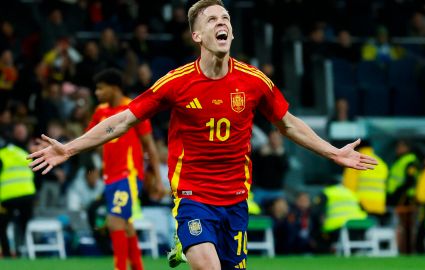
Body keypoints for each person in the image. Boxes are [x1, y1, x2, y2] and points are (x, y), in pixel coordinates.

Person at [28, 1, 377, 269]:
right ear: (197, 36)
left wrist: (333, 152)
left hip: (237, 198)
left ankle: (184, 246)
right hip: (193, 195)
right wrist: (69, 149)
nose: (221, 23)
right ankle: (187, 240)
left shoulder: (254, 82)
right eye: (212, 19)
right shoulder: (176, 83)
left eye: (225, 18)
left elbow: (288, 124)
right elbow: (121, 121)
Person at [89, 69, 166, 270]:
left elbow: (149, 145)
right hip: (109, 177)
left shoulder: (134, 109)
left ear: (114, 88)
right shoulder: (100, 111)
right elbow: (90, 139)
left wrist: (158, 179)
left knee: (114, 222)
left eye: (100, 88)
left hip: (128, 175)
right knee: (126, 224)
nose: (97, 93)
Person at [0, 123, 36, 257]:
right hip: (27, 195)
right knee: (22, 225)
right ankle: (20, 250)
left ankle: (8, 253)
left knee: (2, 226)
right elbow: (34, 173)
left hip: (7, 197)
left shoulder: (2, 154)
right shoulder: (24, 153)